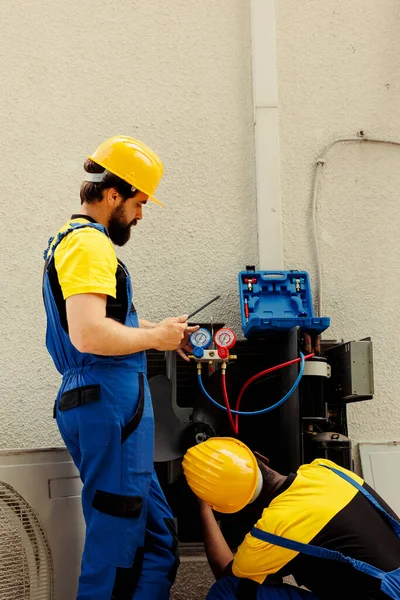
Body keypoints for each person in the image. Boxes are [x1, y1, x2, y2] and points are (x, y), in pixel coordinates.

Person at [42, 135, 199, 600]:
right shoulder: (90, 246)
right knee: (118, 552)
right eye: (139, 202)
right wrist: (155, 339)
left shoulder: (73, 243)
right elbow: (89, 334)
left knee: (156, 540)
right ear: (114, 194)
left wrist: (164, 332)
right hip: (108, 402)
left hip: (109, 402)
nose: (140, 215)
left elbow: (108, 322)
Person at [182, 437, 400, 600]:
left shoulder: (271, 531)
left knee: (228, 591)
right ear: (260, 458)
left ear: (231, 507)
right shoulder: (325, 470)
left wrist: (204, 507)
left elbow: (226, 575)